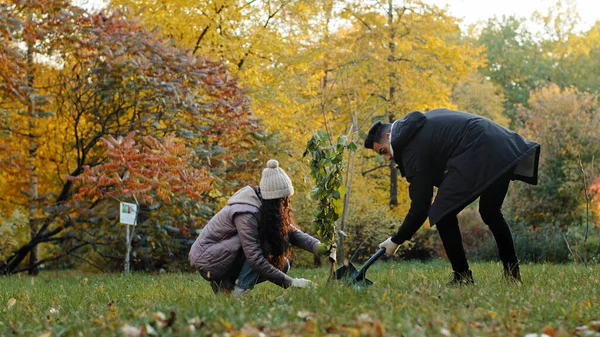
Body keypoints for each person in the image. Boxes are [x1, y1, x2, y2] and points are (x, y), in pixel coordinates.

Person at [364, 108, 540, 285]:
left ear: (388, 136)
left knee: (443, 214)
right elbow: (441, 166)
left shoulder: (412, 147)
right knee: (490, 212)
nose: (387, 158)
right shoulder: (416, 128)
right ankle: (512, 276)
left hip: (479, 148)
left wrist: (396, 240)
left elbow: (420, 208)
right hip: (499, 146)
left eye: (383, 151)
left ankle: (462, 277)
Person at [189, 159, 333, 296]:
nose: (286, 203)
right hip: (210, 263)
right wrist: (291, 282)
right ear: (274, 200)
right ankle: (238, 292)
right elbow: (254, 258)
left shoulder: (264, 207)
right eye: (283, 199)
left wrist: (320, 248)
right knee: (267, 241)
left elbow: (291, 233)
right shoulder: (247, 213)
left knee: (284, 265)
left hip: (225, 257)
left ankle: (226, 287)